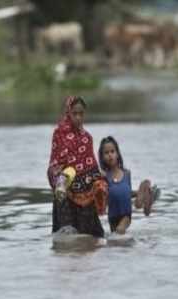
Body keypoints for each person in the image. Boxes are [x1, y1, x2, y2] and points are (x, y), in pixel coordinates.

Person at [47, 96, 108, 238]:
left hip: (84, 190)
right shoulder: (59, 134)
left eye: (81, 114)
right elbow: (55, 162)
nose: (78, 117)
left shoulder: (87, 137)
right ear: (68, 113)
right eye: (75, 113)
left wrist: (99, 175)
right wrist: (60, 174)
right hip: (65, 191)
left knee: (93, 238)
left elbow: (90, 163)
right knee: (67, 236)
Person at [98, 136, 160, 234]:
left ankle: (143, 196)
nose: (110, 155)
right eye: (106, 153)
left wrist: (138, 194)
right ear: (102, 157)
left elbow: (127, 192)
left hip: (125, 214)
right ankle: (145, 194)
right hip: (112, 215)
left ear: (117, 154)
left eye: (112, 151)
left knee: (120, 230)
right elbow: (105, 196)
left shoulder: (126, 173)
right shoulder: (104, 177)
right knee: (116, 239)